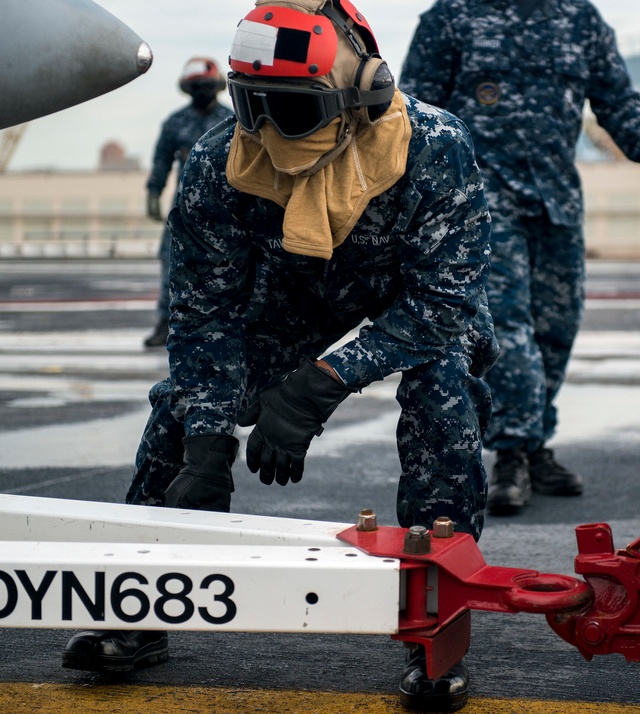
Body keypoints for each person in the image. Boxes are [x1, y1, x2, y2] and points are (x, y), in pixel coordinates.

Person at [62, 1, 497, 711]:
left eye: (291, 112)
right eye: (250, 106)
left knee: (443, 397)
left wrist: (320, 386)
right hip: (291, 293)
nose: (265, 130)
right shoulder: (219, 160)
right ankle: (134, 612)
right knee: (180, 408)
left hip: (411, 301)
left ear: (357, 97)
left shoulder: (432, 144)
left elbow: (443, 302)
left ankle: (434, 623)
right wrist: (207, 439)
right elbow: (205, 310)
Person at [399, 0, 640, 516]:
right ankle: (511, 450)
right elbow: (412, 117)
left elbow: (617, 102)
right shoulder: (452, 18)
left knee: (558, 326)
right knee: (509, 327)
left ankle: (533, 445)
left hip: (557, 200)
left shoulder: (580, 20)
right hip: (480, 201)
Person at [143, 57, 232, 348]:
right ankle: (164, 323)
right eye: (197, 86)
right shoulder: (175, 123)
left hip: (226, 207)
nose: (202, 91)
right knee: (171, 261)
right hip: (183, 207)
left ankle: (227, 324)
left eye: (207, 85)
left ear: (217, 87)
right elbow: (161, 160)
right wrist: (153, 192)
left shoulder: (233, 121)